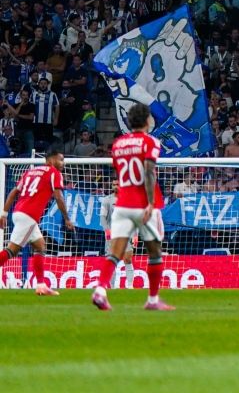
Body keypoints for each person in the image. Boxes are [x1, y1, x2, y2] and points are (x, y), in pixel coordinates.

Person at [92, 104, 171, 312]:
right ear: (148, 121)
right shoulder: (151, 142)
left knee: (115, 253)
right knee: (154, 253)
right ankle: (153, 300)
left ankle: (100, 290)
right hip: (143, 205)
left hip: (122, 204)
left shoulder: (118, 144)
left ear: (128, 122)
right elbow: (148, 171)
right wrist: (151, 202)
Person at [1, 145, 73, 295]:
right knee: (11, 251)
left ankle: (41, 285)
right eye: (61, 159)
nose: (63, 163)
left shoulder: (30, 171)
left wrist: (4, 214)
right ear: (51, 159)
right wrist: (67, 218)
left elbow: (14, 192)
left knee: (40, 246)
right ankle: (40, 285)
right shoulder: (54, 173)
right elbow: (58, 197)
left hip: (20, 213)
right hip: (29, 215)